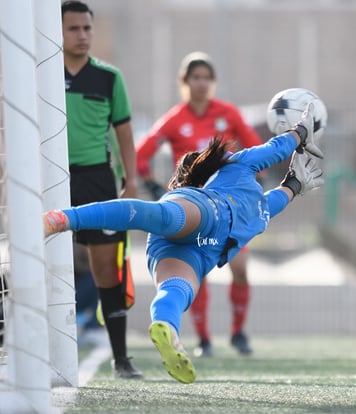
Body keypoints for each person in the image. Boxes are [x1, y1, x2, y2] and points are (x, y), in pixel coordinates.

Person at [44, 103, 324, 384]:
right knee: (173, 283)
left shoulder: (250, 190)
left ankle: (63, 219)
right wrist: (300, 147)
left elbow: (277, 160)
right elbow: (277, 172)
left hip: (196, 232)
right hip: (207, 235)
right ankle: (167, 323)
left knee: (160, 245)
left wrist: (298, 142)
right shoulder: (246, 185)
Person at [136, 51, 264, 357]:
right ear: (185, 81)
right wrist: (152, 184)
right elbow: (142, 153)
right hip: (193, 210)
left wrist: (256, 178)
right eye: (196, 78)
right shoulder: (174, 119)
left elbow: (255, 148)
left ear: (213, 82)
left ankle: (238, 333)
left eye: (207, 78)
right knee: (197, 271)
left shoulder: (228, 114)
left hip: (227, 207)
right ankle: (204, 339)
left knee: (242, 268)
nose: (202, 83)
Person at [61, 1, 142, 379]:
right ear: (58, 32)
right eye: (73, 28)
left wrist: (131, 179)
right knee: (40, 264)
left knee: (107, 270)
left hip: (97, 180)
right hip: (51, 180)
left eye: (87, 28)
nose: (82, 35)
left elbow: (124, 131)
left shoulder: (109, 77)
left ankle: (121, 359)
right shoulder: (39, 76)